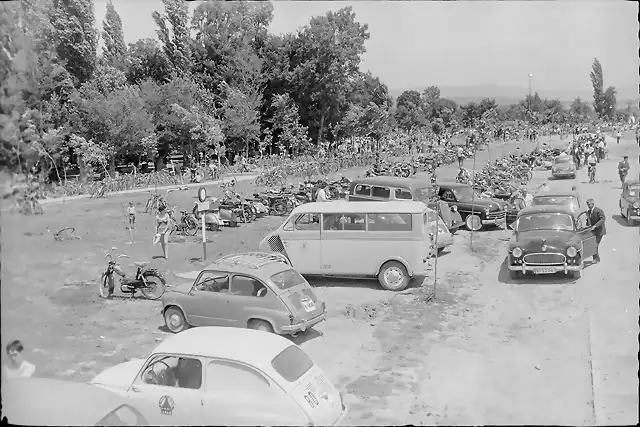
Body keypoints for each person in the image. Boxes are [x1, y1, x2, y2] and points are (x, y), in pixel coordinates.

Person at [586, 198, 606, 264]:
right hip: (593, 232)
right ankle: (596, 258)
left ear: (593, 204)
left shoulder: (598, 211)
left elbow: (602, 219)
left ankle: (596, 259)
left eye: (589, 204)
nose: (588, 206)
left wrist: (595, 225)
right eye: (587, 204)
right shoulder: (588, 212)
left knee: (595, 244)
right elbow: (588, 220)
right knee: (593, 244)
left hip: (599, 231)